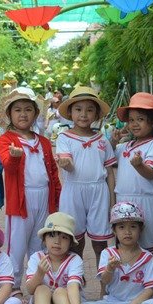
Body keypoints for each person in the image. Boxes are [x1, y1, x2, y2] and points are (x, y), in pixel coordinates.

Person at [0, 87, 62, 288]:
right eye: (17, 110)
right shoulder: (5, 140)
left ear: (36, 113)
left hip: (44, 198)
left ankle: (38, 287)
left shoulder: (43, 142)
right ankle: (13, 287)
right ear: (9, 114)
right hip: (20, 201)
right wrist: (14, 158)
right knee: (16, 247)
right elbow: (8, 166)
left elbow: (53, 174)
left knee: (40, 245)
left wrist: (57, 200)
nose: (23, 114)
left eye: (28, 109)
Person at [54, 85, 116, 259]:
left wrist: (112, 202)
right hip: (73, 191)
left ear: (96, 114)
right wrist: (66, 164)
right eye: (78, 109)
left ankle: (103, 277)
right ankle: (76, 275)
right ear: (70, 112)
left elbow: (110, 172)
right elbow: (68, 165)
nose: (83, 114)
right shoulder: (64, 137)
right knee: (75, 241)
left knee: (100, 243)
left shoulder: (102, 139)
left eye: (89, 110)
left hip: (99, 192)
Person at [82, 202, 153, 304]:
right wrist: (110, 269)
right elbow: (105, 281)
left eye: (133, 227)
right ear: (114, 230)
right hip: (112, 302)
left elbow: (150, 289)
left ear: (141, 229)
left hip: (137, 303)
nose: (127, 232)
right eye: (122, 227)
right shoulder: (108, 253)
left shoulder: (147, 257)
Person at [24, 212, 84, 304]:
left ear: (70, 242)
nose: (57, 241)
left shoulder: (75, 259)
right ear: (44, 239)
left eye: (64, 237)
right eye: (52, 235)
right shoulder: (37, 258)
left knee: (60, 291)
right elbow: (30, 290)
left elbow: (73, 286)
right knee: (41, 288)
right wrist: (39, 273)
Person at [113, 92, 153, 254]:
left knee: (148, 249)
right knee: (125, 248)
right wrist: (113, 141)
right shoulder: (124, 146)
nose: (134, 124)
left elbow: (151, 173)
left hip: (146, 202)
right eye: (131, 120)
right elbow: (107, 159)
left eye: (140, 119)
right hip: (123, 202)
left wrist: (139, 165)